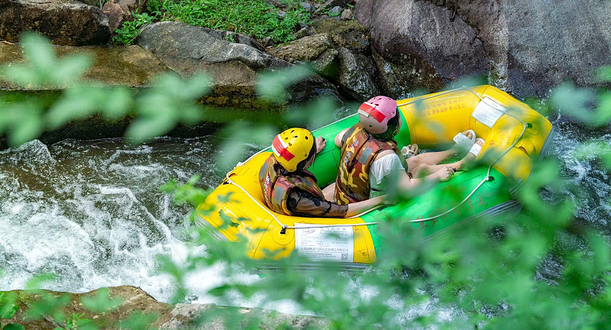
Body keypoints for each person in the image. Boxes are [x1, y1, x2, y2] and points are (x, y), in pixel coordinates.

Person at [333, 96, 484, 204]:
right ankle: (462, 164)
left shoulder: (353, 131)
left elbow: (338, 140)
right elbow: (406, 188)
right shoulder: (386, 157)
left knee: (414, 160)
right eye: (397, 117)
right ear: (390, 126)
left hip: (353, 192)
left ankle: (453, 151)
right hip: (377, 198)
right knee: (422, 168)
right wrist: (438, 176)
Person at [259, 128, 385, 218]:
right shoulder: (299, 199)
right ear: (303, 162)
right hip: (309, 218)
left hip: (289, 205)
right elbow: (342, 211)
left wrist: (313, 150)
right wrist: (381, 200)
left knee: (340, 184)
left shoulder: (275, 161)